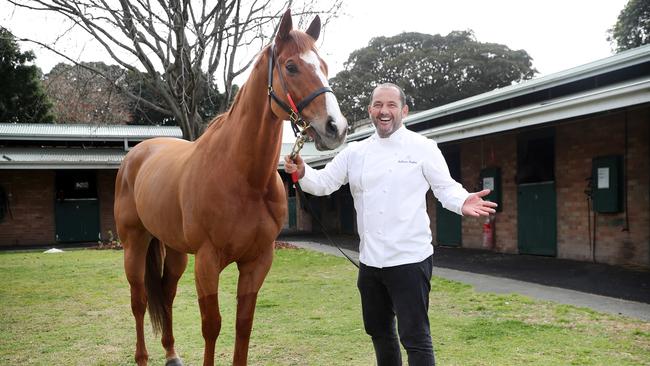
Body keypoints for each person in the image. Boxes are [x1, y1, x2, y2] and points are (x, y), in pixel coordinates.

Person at [284, 83, 497, 365]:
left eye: (391, 105)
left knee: (415, 338)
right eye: (378, 105)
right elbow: (324, 183)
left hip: (410, 261)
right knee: (379, 332)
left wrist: (463, 201)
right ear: (370, 110)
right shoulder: (355, 153)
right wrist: (303, 170)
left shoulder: (423, 148)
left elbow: (446, 189)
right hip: (371, 264)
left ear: (404, 111)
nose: (384, 111)